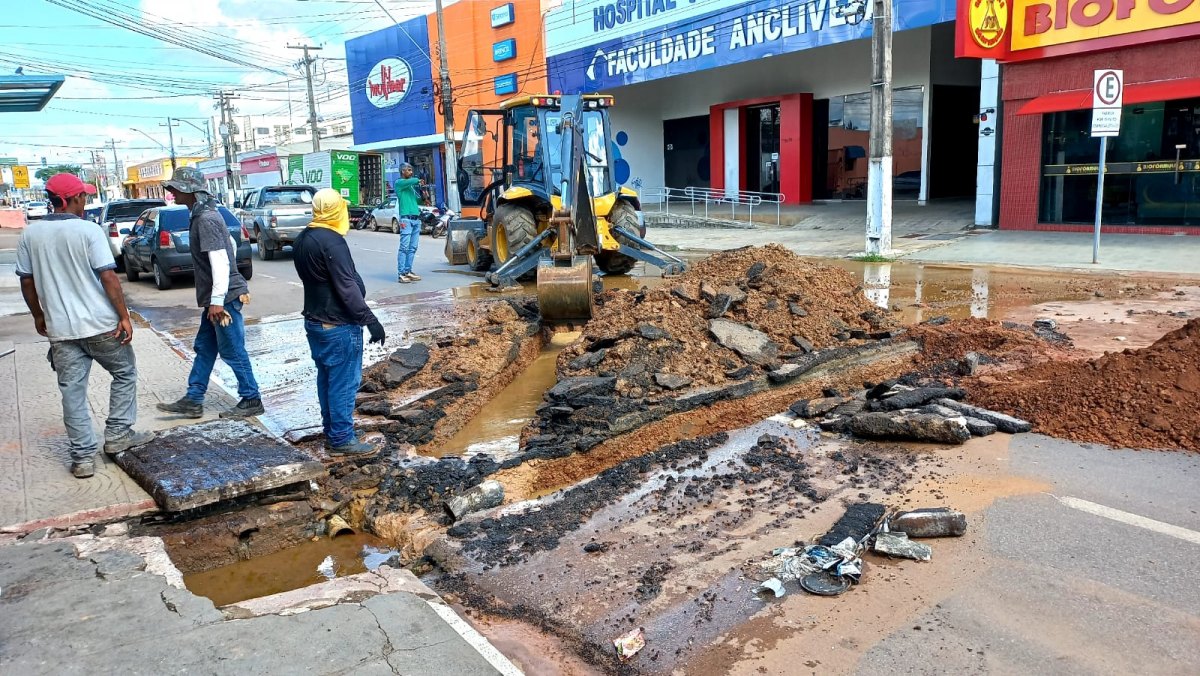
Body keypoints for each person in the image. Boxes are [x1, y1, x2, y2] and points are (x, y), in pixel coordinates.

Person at [15, 173, 153, 479]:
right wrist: (124, 316)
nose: (85, 201)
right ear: (71, 199)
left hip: (61, 331)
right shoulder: (88, 230)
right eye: (83, 196)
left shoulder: (30, 235)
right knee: (124, 372)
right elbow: (108, 277)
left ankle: (82, 459)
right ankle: (117, 435)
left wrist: (38, 315)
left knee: (72, 392)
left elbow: (27, 281)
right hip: (101, 326)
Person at [155, 166, 263, 419]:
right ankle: (194, 399)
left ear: (190, 190)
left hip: (224, 299)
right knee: (205, 347)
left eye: (176, 188)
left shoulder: (206, 219)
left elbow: (221, 260)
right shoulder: (202, 214)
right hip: (218, 297)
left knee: (232, 349)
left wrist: (217, 300)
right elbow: (231, 245)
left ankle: (251, 398)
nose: (171, 192)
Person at [291, 189, 386, 456]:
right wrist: (371, 320)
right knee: (344, 383)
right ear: (335, 210)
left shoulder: (304, 238)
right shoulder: (331, 242)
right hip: (338, 325)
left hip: (315, 322)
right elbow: (346, 287)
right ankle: (342, 439)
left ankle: (334, 431)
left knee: (327, 380)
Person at [393, 163, 423, 284]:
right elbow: (413, 180)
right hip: (406, 219)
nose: (411, 172)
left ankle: (408, 271)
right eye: (409, 170)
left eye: (411, 170)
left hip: (416, 219)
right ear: (402, 171)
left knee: (413, 248)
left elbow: (418, 200)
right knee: (404, 247)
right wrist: (418, 180)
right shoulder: (399, 183)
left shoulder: (410, 187)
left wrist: (423, 195)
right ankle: (401, 273)